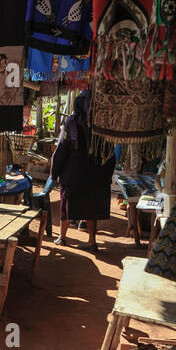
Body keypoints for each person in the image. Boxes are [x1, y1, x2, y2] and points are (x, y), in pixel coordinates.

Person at [42, 89, 115, 252]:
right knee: (91, 208)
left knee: (66, 206)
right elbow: (110, 152)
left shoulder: (71, 123)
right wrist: (107, 175)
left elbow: (61, 149)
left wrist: (54, 173)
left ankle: (62, 237)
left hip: (73, 175)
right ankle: (91, 241)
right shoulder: (103, 124)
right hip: (97, 174)